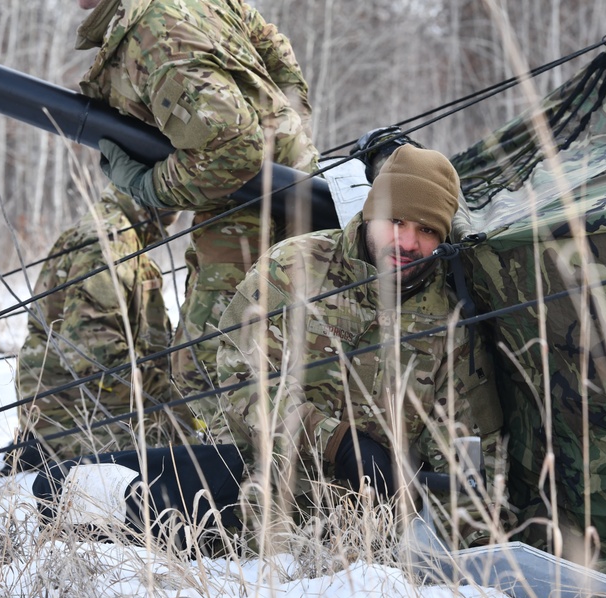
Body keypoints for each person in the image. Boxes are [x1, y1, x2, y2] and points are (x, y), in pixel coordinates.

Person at [213, 145, 507, 547]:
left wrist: (476, 545)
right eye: (396, 221)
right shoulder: (293, 266)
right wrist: (338, 442)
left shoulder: (448, 322)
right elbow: (238, 381)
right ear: (371, 213)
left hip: (368, 532)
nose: (407, 242)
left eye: (427, 230)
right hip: (253, 493)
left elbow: (465, 454)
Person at [73, 0, 319, 429]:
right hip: (262, 195)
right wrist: (287, 131)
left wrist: (151, 186)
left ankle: (243, 489)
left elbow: (235, 147)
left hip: (250, 208)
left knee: (206, 367)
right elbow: (273, 48)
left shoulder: (152, 34)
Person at [5, 186, 180, 473]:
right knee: (182, 462)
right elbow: (96, 356)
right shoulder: (111, 241)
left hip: (77, 403)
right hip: (76, 411)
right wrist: (171, 398)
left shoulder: (118, 228)